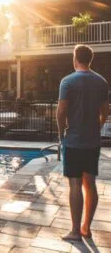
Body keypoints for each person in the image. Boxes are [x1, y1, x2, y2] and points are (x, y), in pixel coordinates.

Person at [57, 44, 109, 241]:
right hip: (92, 142)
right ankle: (86, 227)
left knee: (75, 185)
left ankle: (74, 231)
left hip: (74, 141)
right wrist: (98, 125)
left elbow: (61, 112)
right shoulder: (101, 82)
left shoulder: (68, 81)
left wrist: (61, 134)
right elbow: (106, 111)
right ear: (90, 59)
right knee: (91, 184)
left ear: (75, 58)